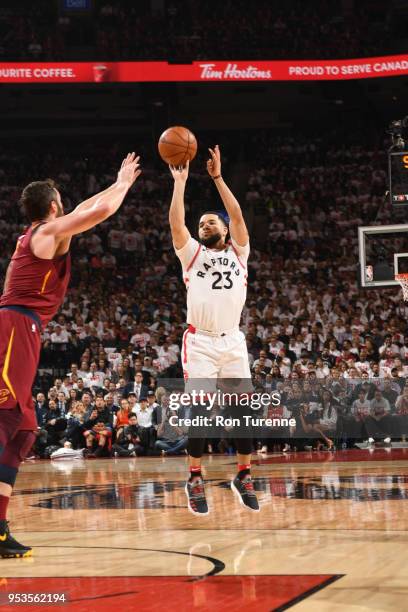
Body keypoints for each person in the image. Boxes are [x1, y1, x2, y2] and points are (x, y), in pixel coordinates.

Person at [0, 151, 141, 557]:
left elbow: (85, 207)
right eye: (62, 201)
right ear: (52, 207)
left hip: (25, 328)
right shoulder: (45, 234)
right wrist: (124, 185)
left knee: (24, 433)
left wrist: (117, 180)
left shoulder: (47, 231)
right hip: (13, 326)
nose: (67, 206)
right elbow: (99, 212)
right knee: (6, 417)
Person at [169, 144, 258, 515]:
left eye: (210, 222)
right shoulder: (192, 254)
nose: (203, 225)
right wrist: (181, 183)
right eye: (201, 223)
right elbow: (176, 222)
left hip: (233, 341)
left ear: (224, 230)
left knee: (243, 418)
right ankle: (194, 478)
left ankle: (243, 474)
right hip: (201, 342)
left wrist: (218, 178)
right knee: (202, 414)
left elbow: (236, 214)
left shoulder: (240, 251)